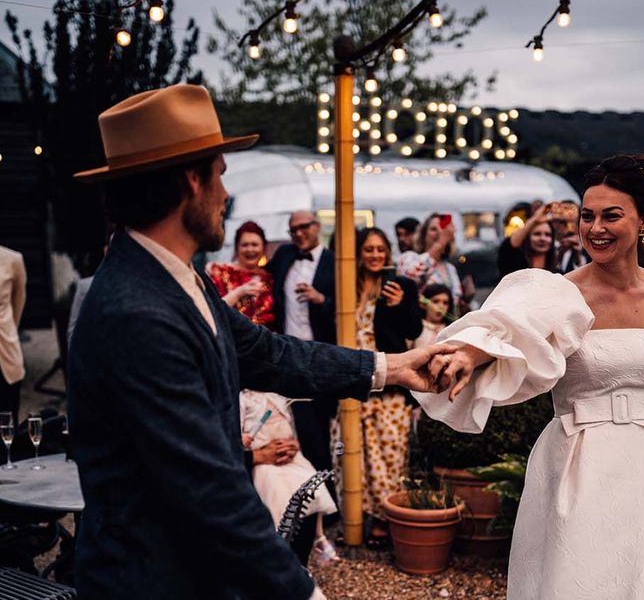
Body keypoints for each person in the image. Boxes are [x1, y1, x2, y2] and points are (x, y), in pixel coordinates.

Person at [67, 84, 450, 600]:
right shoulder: (136, 311)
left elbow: (272, 354)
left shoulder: (179, 278)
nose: (226, 195)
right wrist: (302, 592)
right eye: (221, 176)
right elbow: (209, 490)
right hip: (149, 579)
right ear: (191, 183)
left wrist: (392, 367)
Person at [418, 154, 644, 599]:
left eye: (611, 215)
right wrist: (468, 353)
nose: (595, 227)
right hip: (577, 464)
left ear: (643, 220)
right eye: (587, 216)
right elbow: (508, 329)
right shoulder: (559, 294)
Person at [345, 227, 422, 548]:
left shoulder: (401, 285)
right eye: (369, 250)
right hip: (353, 383)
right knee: (358, 456)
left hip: (390, 383)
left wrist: (401, 304)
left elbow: (413, 329)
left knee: (389, 456)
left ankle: (383, 519)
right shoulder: (347, 286)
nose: (375, 255)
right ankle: (355, 516)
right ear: (359, 253)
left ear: (388, 254)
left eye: (380, 250)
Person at [267, 210, 338, 513]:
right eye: (293, 229)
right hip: (289, 357)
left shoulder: (335, 261)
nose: (298, 234)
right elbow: (259, 275)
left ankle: (329, 500)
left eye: (303, 227)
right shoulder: (284, 256)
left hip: (324, 356)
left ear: (317, 227)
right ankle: (314, 499)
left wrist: (321, 300)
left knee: (324, 430)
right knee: (304, 431)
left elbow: (352, 303)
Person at [239, 389, 338, 566]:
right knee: (276, 494)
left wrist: (293, 445)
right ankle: (280, 548)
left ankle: (319, 536)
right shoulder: (243, 398)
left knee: (312, 485)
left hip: (289, 456)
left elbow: (291, 426)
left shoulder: (278, 395)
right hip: (262, 462)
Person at [207, 221, 275, 328]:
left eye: (255, 244)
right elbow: (210, 311)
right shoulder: (219, 272)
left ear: (263, 247)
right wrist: (238, 293)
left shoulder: (270, 278)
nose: (250, 249)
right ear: (237, 248)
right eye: (244, 245)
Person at [397, 213, 462, 307]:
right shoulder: (410, 257)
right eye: (433, 229)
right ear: (423, 234)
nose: (440, 233)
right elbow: (410, 278)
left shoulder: (450, 268)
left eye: (443, 229)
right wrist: (441, 242)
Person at [0, 245, 26, 423]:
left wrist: (9, 330)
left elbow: (18, 302)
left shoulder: (12, 259)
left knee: (8, 422)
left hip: (5, 350)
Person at [497, 203, 558, 276]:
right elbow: (509, 246)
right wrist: (534, 220)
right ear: (527, 238)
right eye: (537, 234)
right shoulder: (515, 264)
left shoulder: (557, 273)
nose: (542, 239)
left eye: (547, 235)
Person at [412, 283, 454, 349]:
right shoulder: (414, 327)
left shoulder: (451, 330)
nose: (441, 306)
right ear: (423, 304)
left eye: (445, 303)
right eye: (435, 301)